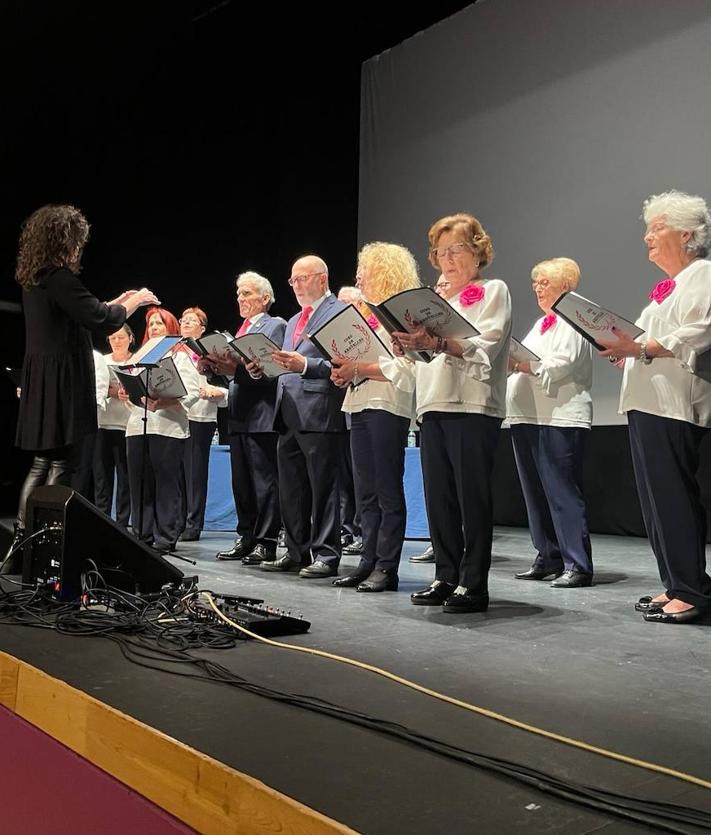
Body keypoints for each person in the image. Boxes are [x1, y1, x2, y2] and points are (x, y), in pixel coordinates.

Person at [6, 204, 157, 562]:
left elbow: (81, 311)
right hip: (62, 382)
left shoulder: (37, 278)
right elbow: (101, 320)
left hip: (43, 379)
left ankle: (20, 547)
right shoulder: (59, 277)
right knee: (61, 465)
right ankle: (44, 548)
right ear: (65, 240)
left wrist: (113, 303)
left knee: (43, 462)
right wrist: (133, 302)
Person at [381, 213, 512, 613]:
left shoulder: (492, 290)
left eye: (457, 250)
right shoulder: (435, 299)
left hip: (473, 403)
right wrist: (408, 343)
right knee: (439, 497)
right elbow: (424, 354)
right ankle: (446, 575)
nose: (448, 259)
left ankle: (474, 584)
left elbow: (485, 344)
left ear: (477, 251)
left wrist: (437, 342)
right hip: (433, 403)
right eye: (441, 252)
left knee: (471, 497)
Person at [598, 190, 711, 624]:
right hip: (647, 403)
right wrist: (627, 347)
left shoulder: (701, 274)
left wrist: (638, 345)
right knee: (654, 501)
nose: (647, 237)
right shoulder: (667, 289)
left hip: (673, 403)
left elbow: (698, 332)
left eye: (656, 227)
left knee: (673, 498)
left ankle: (691, 590)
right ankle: (675, 584)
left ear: (687, 234)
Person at [330, 243, 419, 591]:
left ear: (383, 271)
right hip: (359, 401)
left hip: (388, 404)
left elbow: (408, 368)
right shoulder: (366, 315)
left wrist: (360, 367)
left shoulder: (401, 313)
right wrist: (345, 373)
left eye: (364, 270)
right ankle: (367, 560)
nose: (358, 277)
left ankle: (387, 565)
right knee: (364, 491)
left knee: (386, 489)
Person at [506, 258, 593, 587]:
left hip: (560, 417)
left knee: (561, 493)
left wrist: (521, 364)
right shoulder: (543, 323)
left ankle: (578, 564)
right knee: (535, 494)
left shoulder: (572, 319)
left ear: (565, 286)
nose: (537, 288)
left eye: (544, 282)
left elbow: (561, 365)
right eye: (535, 282)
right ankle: (548, 555)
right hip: (529, 415)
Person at [261, 255, 347, 578]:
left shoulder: (337, 311)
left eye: (303, 278)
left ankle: (326, 553)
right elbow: (288, 364)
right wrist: (264, 369)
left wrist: (306, 366)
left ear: (322, 279)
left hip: (320, 411)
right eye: (293, 280)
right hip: (288, 411)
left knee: (323, 487)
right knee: (291, 487)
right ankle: (296, 551)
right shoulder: (295, 318)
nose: (297, 285)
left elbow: (343, 362)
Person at [202, 271, 286, 564]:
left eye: (247, 293)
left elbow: (268, 369)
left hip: (262, 413)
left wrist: (233, 367)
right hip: (239, 414)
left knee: (265, 481)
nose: (241, 298)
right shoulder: (241, 329)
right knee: (242, 482)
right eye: (239, 294)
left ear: (265, 298)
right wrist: (212, 365)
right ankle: (246, 536)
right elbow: (238, 370)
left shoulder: (276, 325)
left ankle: (267, 541)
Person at [123, 307, 201, 554]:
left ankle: (165, 537)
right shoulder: (139, 355)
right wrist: (129, 393)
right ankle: (142, 534)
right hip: (138, 425)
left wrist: (164, 400)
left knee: (166, 484)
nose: (154, 328)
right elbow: (131, 387)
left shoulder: (180, 355)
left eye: (160, 323)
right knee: (140, 483)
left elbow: (191, 391)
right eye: (151, 324)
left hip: (168, 426)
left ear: (171, 328)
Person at [409, 272, 453, 564]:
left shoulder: (456, 322)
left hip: (458, 404)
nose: (440, 290)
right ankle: (441, 552)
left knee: (456, 491)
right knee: (436, 492)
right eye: (437, 286)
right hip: (428, 405)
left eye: (445, 285)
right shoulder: (428, 325)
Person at [177, 307, 228, 542]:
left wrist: (215, 392)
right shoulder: (175, 351)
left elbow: (225, 382)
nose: (186, 323)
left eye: (192, 321)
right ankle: (176, 520)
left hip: (201, 416)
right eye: (183, 320)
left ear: (202, 328)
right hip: (176, 417)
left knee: (195, 471)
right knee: (177, 472)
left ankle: (193, 523)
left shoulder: (211, 352)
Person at [93, 324, 134, 527]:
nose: (117, 341)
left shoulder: (136, 361)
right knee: (102, 478)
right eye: (112, 338)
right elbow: (96, 387)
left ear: (130, 338)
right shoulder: (102, 361)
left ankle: (122, 522)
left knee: (125, 478)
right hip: (103, 424)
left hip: (127, 425)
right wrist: (111, 391)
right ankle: (102, 520)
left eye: (120, 337)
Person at [334, 285, 364, 555]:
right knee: (344, 477)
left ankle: (362, 531)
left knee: (360, 476)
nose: (342, 308)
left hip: (368, 407)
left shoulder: (363, 330)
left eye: (347, 304)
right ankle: (347, 529)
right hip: (343, 411)